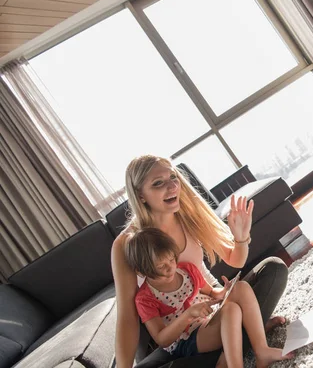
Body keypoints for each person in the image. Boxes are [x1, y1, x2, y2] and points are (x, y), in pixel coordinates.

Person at [111, 155, 288, 367]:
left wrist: (241, 238)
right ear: (140, 195)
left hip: (212, 311)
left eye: (173, 177)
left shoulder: (188, 213)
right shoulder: (127, 243)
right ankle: (246, 335)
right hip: (172, 337)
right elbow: (128, 319)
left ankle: (239, 343)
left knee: (274, 269)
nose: (172, 186)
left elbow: (235, 260)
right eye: (158, 183)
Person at [124, 227, 293, 368]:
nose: (170, 268)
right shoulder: (145, 298)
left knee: (241, 288)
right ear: (141, 271)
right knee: (231, 310)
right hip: (188, 339)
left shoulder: (186, 270)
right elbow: (162, 339)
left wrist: (226, 290)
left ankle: (261, 350)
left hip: (211, 319)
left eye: (171, 259)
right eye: (161, 266)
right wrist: (189, 314)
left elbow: (212, 293)